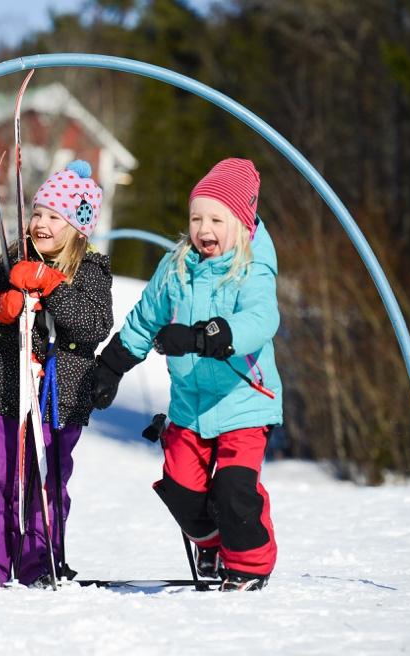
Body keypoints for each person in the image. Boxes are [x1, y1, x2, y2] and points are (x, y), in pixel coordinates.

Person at [92, 158, 282, 592]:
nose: (204, 228)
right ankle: (212, 543)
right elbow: (145, 321)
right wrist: (111, 366)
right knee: (181, 490)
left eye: (217, 218)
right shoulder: (176, 267)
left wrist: (203, 337)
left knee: (234, 492)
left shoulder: (252, 269)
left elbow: (260, 320)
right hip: (189, 408)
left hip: (244, 402)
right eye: (196, 217)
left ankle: (250, 564)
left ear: (242, 223)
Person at [0, 160, 114, 591]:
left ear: (78, 227)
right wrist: (0, 307)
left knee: (45, 483)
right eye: (38, 213)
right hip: (3, 393)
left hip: (57, 401)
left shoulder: (91, 271)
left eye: (54, 216)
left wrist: (51, 285)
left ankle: (39, 561)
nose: (41, 222)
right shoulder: (12, 261)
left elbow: (93, 325)